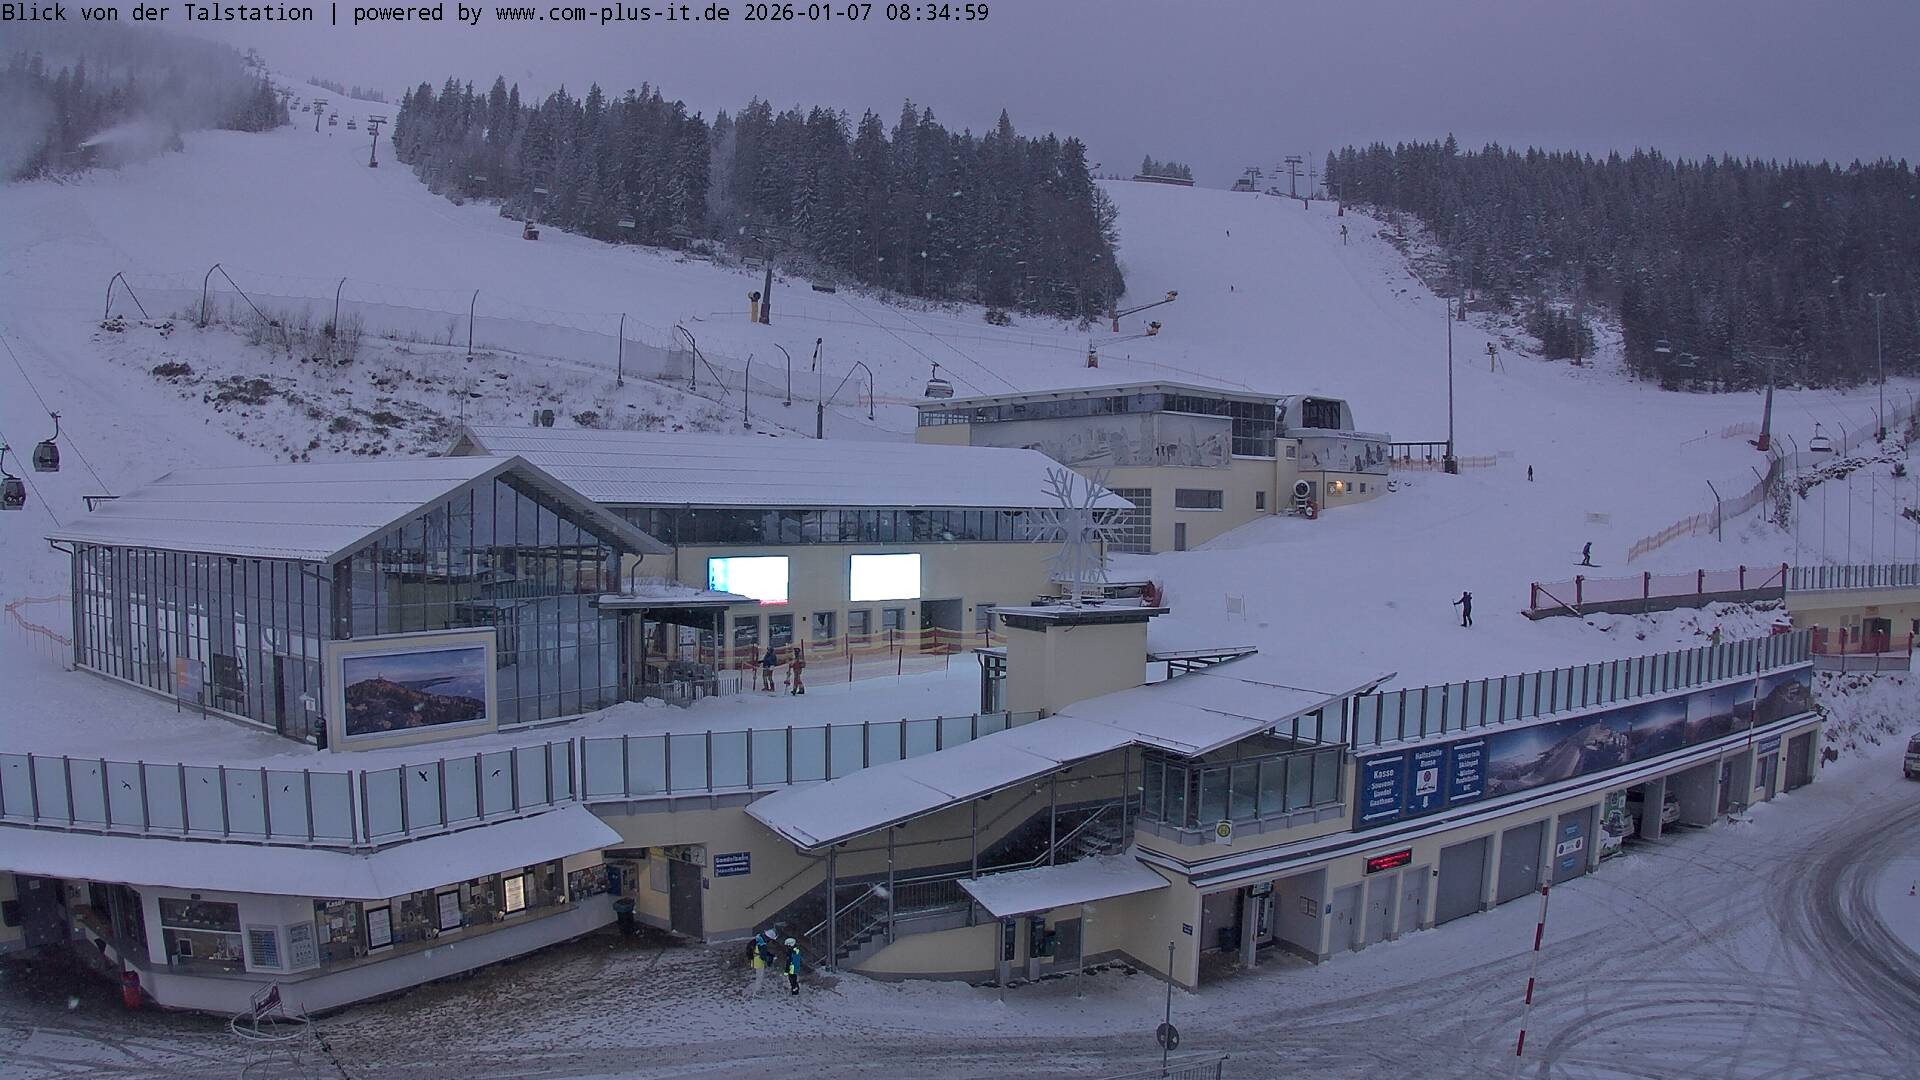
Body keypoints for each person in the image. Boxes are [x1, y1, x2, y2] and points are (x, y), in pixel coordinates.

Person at [746, 932, 770, 998]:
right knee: (760, 977)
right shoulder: (763, 945)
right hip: (759, 962)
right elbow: (763, 956)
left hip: (754, 959)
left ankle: (758, 990)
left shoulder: (757, 939)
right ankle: (757, 992)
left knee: (758, 976)